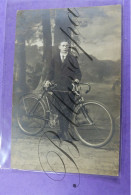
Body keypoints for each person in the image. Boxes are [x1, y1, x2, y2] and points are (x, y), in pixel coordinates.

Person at [45, 41, 82, 141]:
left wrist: (77, 79)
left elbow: (78, 72)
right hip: (57, 88)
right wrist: (48, 80)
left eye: (67, 46)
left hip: (69, 88)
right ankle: (61, 131)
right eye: (63, 45)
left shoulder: (72, 58)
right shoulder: (55, 58)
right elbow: (51, 71)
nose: (65, 47)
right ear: (59, 47)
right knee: (59, 110)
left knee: (67, 110)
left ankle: (65, 132)